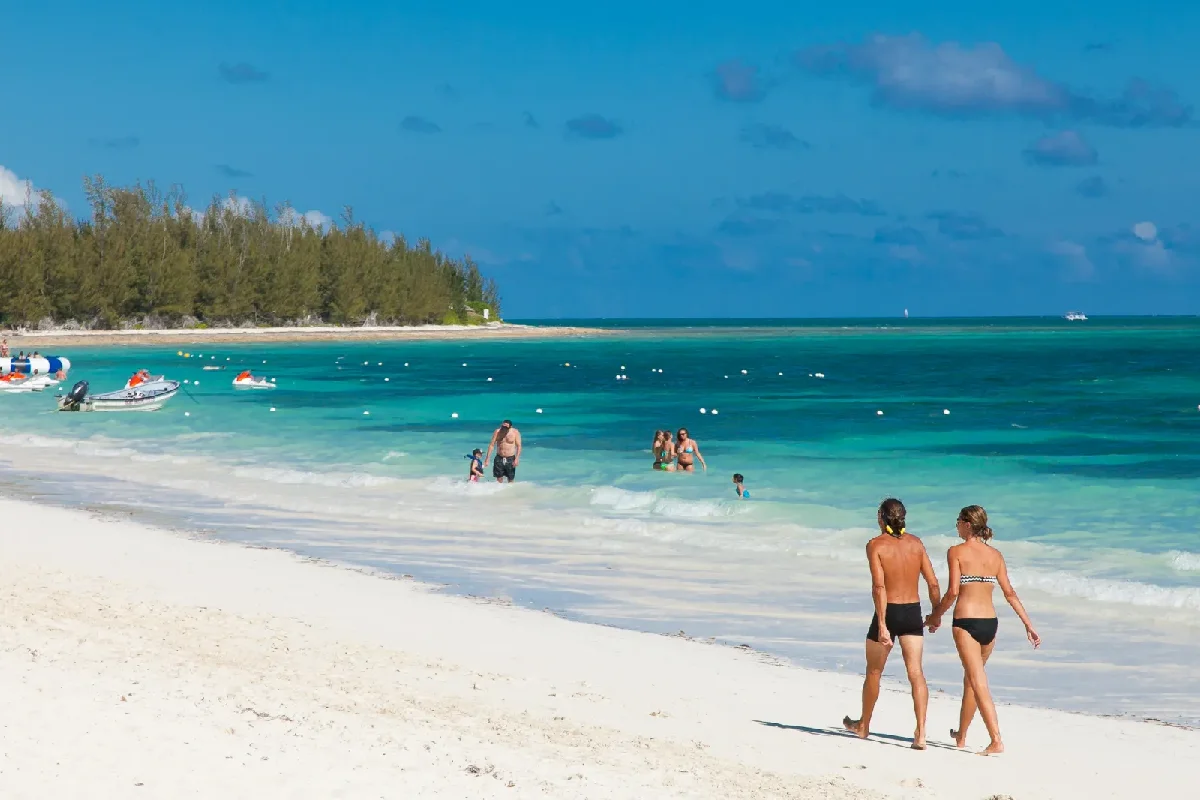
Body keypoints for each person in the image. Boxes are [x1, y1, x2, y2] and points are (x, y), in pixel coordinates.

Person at [925, 505, 1040, 755]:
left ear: (967, 524)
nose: (956, 525)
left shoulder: (955, 552)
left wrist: (935, 617)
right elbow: (1010, 593)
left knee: (977, 681)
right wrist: (1028, 625)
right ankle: (961, 735)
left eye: (958, 521)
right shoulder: (995, 555)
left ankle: (996, 739)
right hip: (990, 624)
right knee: (971, 680)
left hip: (966, 622)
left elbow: (953, 592)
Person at [843, 498, 941, 750]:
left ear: (880, 517)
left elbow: (879, 587)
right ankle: (921, 733)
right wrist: (936, 614)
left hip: (888, 612)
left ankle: (864, 726)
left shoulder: (875, 545)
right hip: (912, 612)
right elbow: (933, 583)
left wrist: (883, 625)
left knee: (874, 672)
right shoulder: (916, 544)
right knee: (916, 673)